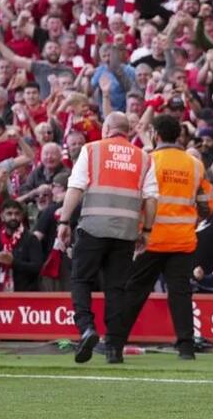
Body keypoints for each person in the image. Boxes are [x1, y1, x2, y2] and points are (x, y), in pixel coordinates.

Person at [56, 112, 159, 365]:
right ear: (127, 131)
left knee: (81, 279)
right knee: (117, 289)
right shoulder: (143, 157)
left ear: (107, 129)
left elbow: (76, 187)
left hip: (92, 227)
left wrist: (63, 221)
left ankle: (87, 328)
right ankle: (114, 348)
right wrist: (146, 230)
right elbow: (152, 198)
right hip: (125, 233)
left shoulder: (92, 150)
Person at [118, 114, 213, 361]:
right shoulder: (194, 164)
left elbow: (135, 199)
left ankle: (115, 342)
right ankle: (186, 348)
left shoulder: (147, 161)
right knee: (180, 293)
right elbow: (207, 205)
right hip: (182, 240)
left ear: (156, 135)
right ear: (178, 135)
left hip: (151, 239)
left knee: (135, 290)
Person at [0, 199, 43, 292]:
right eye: (9, 214)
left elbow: (37, 268)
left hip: (26, 293)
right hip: (0, 292)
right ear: (2, 216)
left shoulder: (30, 238)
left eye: (17, 214)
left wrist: (13, 262)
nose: (13, 217)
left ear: (21, 216)